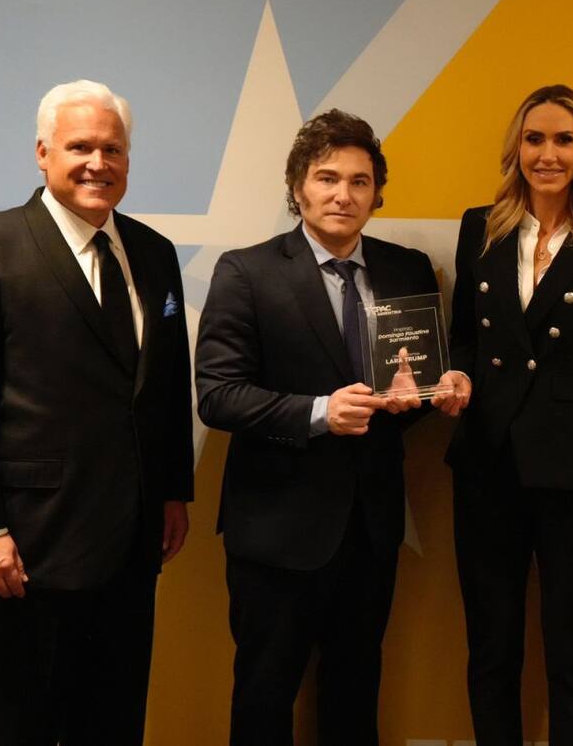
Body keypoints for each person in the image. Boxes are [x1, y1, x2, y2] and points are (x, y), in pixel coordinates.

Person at [0, 79, 194, 746]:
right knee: (24, 728)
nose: (98, 162)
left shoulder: (153, 253)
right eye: (80, 147)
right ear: (42, 153)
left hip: (130, 547)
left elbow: (163, 387)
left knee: (114, 722)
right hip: (23, 551)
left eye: (113, 149)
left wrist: (172, 492)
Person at [196, 109, 461, 746]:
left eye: (360, 181)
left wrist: (430, 395)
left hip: (369, 528)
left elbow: (413, 382)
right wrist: (320, 413)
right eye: (326, 178)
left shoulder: (408, 270)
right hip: (276, 529)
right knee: (264, 695)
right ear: (297, 187)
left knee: (354, 690)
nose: (343, 194)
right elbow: (219, 395)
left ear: (377, 192)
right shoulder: (246, 271)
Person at [443, 84, 573, 746]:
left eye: (564, 139)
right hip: (486, 465)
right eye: (535, 139)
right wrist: (457, 379)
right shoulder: (481, 227)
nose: (548, 154)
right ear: (516, 147)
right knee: (492, 647)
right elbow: (465, 344)